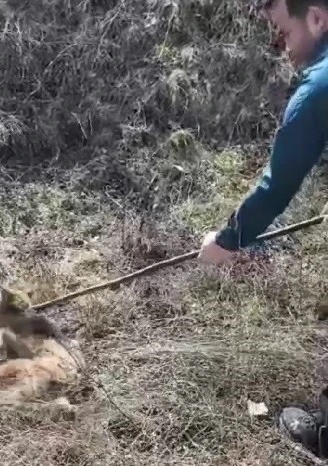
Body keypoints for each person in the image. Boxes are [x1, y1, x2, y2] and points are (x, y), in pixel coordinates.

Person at [198, 0, 328, 458]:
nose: (279, 45)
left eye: (283, 32)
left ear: (316, 18)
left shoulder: (320, 85)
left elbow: (277, 186)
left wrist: (228, 240)